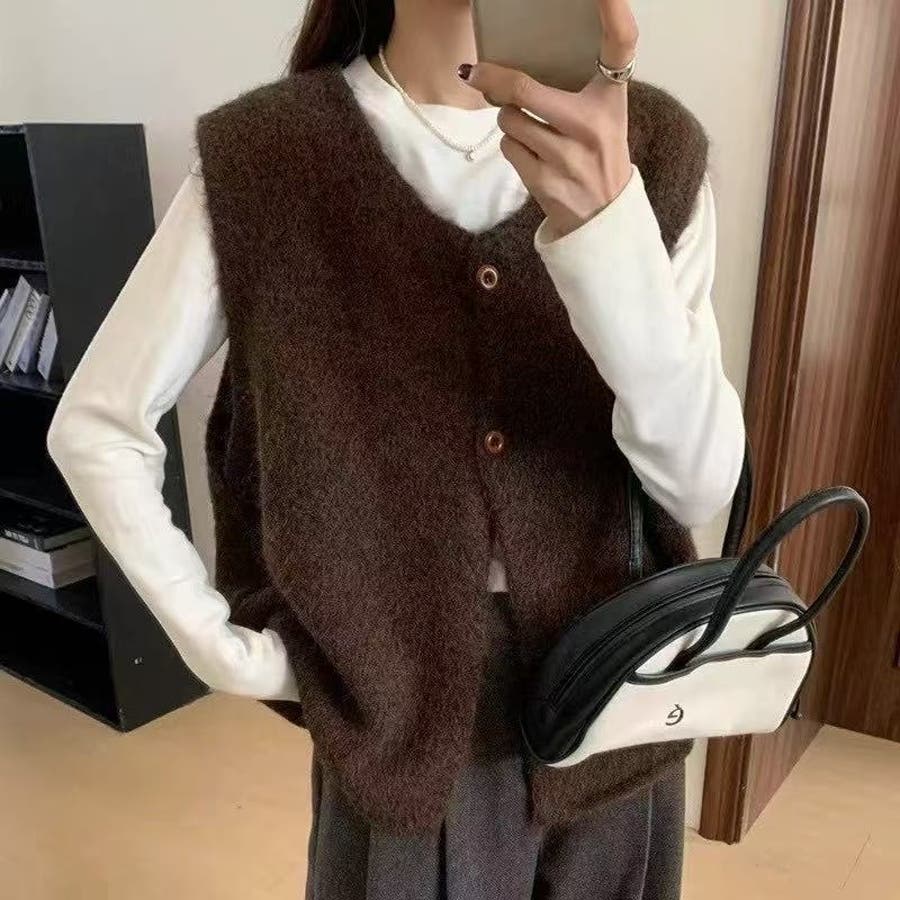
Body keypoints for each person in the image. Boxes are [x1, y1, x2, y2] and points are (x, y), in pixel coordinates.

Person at [46, 0, 746, 896]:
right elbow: (99, 425)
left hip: (620, 700)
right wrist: (216, 643)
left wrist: (611, 228)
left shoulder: (650, 149)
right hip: (397, 724)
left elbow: (697, 489)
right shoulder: (269, 158)